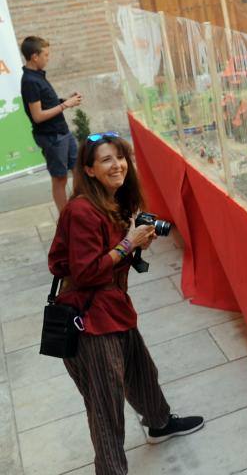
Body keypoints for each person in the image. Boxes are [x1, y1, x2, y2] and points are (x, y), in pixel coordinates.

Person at [48, 133, 204, 474]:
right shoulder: (81, 211)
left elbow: (109, 257)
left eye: (120, 158)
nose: (117, 165)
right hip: (89, 319)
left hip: (111, 306)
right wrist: (126, 244)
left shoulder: (111, 201)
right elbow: (86, 272)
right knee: (105, 404)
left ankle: (159, 423)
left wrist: (132, 245)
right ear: (88, 169)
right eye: (106, 160)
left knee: (140, 370)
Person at [20, 36, 83, 213]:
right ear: (34, 56)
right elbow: (38, 116)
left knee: (79, 169)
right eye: (46, 55)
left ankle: (80, 209)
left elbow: (47, 103)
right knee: (60, 179)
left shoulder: (38, 76)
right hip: (52, 138)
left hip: (62, 132)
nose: (48, 58)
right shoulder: (30, 81)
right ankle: (65, 218)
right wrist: (65, 105)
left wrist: (66, 99)